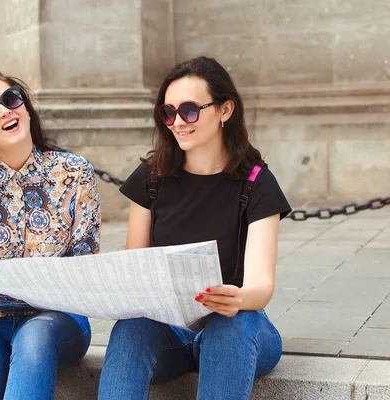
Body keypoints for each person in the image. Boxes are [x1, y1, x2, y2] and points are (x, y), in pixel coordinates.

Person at [98, 56, 291, 400]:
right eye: (168, 113)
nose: (177, 122)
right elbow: (135, 268)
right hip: (171, 333)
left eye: (189, 110)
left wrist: (237, 298)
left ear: (225, 110)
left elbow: (261, 286)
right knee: (130, 329)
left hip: (240, 328)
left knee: (228, 327)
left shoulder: (256, 182)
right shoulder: (151, 178)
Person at [0, 72, 101, 400]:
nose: (5, 111)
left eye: (10, 99)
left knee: (35, 337)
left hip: (56, 320)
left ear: (25, 107)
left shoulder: (75, 172)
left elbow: (86, 265)